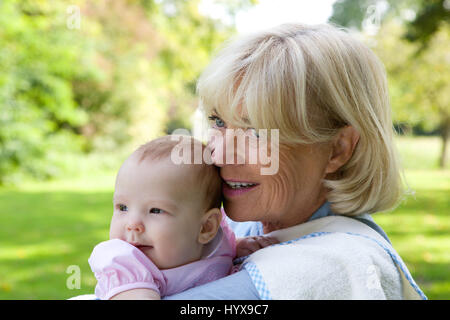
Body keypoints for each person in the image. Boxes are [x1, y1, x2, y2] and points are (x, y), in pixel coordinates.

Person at [160, 22, 426, 299]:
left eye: (258, 131)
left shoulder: (336, 265)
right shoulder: (240, 229)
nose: (218, 154)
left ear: (338, 149)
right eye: (218, 121)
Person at [88, 135, 277, 300]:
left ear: (206, 228)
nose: (132, 224)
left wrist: (237, 246)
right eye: (123, 207)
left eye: (155, 210)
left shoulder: (216, 241)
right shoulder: (126, 263)